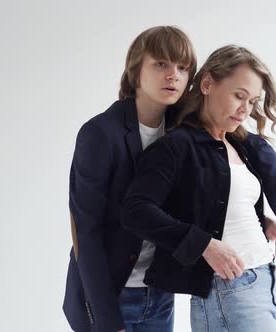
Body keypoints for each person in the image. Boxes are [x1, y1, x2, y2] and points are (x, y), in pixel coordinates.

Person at [121, 45, 276, 331]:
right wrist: (202, 243)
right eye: (238, 96)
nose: (245, 109)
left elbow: (226, 193)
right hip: (230, 292)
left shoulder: (238, 144)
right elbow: (135, 210)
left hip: (267, 283)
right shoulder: (177, 146)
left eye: (252, 101)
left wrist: (273, 219)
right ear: (206, 84)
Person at [62, 26, 197, 332]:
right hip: (109, 295)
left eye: (182, 67)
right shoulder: (100, 133)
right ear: (136, 71)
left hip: (159, 294)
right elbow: (86, 232)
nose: (173, 74)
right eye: (160, 64)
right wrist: (108, 322)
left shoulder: (182, 133)